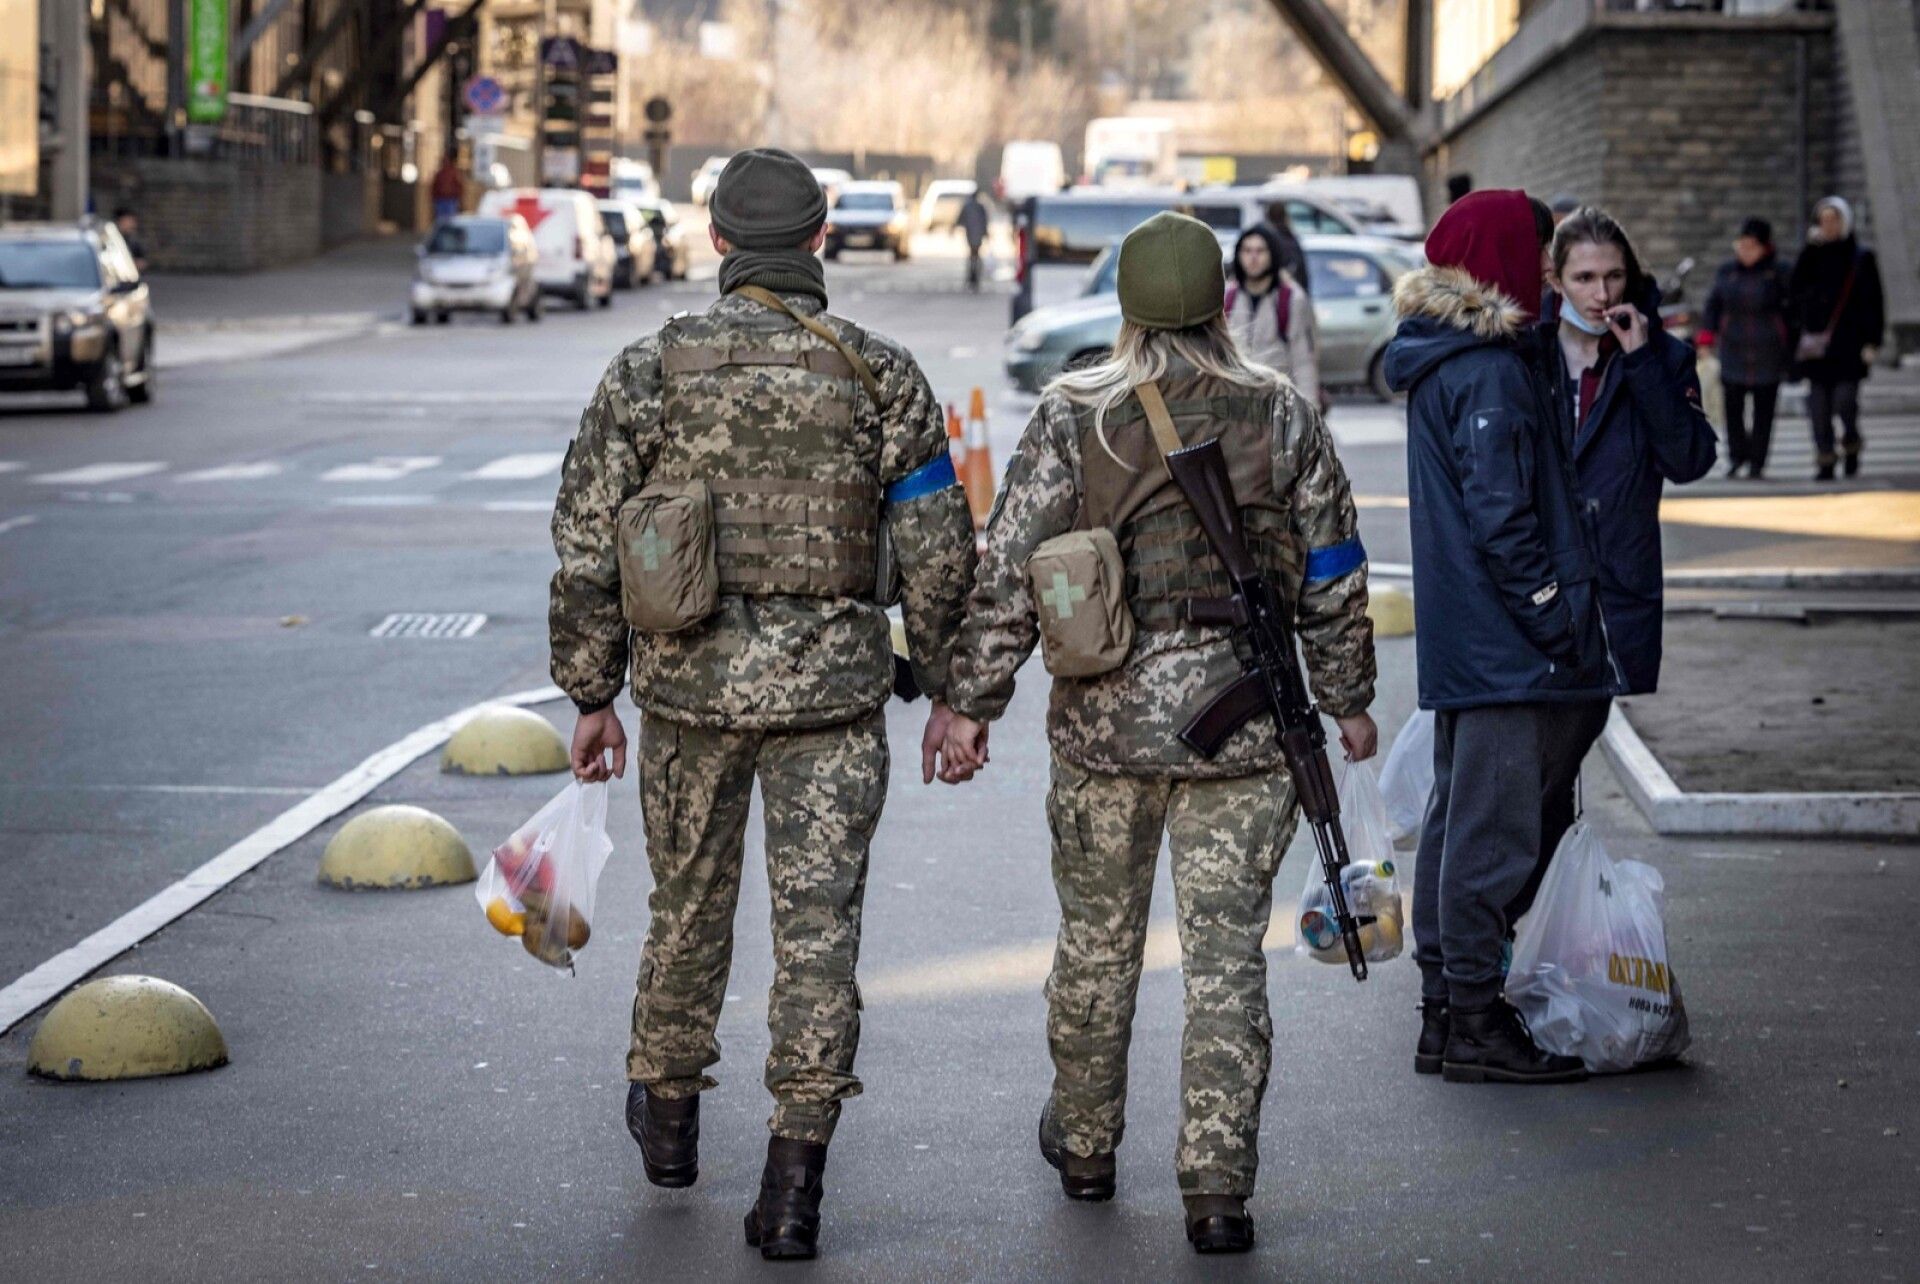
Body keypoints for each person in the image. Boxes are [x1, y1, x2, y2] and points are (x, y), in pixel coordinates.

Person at [549, 147, 977, 1262]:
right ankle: (794, 1184)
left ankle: (673, 1115)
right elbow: (937, 554)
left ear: (717, 238)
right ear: (823, 236)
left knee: (685, 911)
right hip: (833, 700)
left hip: (688, 695)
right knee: (818, 935)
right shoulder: (879, 373)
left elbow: (588, 543)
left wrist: (592, 695)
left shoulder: (651, 370)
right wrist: (946, 689)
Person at [940, 211, 1378, 1255]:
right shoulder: (1283, 415)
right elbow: (1331, 573)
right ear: (1225, 301)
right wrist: (1349, 696)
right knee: (1227, 959)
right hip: (1246, 732)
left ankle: (1087, 1144)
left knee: (1096, 944)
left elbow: (1008, 568)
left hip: (1104, 728)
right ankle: (1217, 1185)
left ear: (1127, 308)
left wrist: (969, 703)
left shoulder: (1074, 417)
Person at [1381, 189, 1615, 1086]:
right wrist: (1557, 613)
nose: (1550, 272)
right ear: (1506, 263)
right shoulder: (1486, 370)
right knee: (1493, 834)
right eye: (1541, 254)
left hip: (1473, 638)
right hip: (1505, 645)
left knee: (1459, 819)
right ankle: (1473, 1021)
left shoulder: (1456, 358)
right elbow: (1504, 518)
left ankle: (1449, 1012)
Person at [1509, 207, 1715, 920]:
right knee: (1533, 781)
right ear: (1554, 279)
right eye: (1584, 277)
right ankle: (1531, 934)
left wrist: (1644, 361)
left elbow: (1688, 459)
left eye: (1613, 275)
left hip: (1606, 601)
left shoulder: (1659, 358)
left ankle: (1538, 934)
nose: (1600, 293)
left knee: (1553, 769)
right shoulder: (1524, 355)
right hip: (1529, 597)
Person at [1789, 195, 1885, 479]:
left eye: (1834, 220)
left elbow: (1874, 302)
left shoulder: (1860, 257)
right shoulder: (1811, 255)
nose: (1828, 226)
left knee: (1845, 402)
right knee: (1818, 407)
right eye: (1824, 220)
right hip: (1817, 347)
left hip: (1850, 346)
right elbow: (1795, 293)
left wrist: (1873, 341)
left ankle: (1852, 443)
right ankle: (1826, 458)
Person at [1700, 217, 1795, 478]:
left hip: (1768, 350)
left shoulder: (1779, 272)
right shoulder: (1727, 272)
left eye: (1751, 245)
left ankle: (1757, 460)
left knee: (1764, 411)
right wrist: (1707, 339)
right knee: (1733, 409)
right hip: (1734, 348)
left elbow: (1793, 311)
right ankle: (1736, 456)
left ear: (1765, 247)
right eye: (1741, 244)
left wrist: (1790, 345)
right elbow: (1713, 306)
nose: (1745, 250)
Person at [1226, 224, 1320, 405]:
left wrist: (1311, 409)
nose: (1253, 257)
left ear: (1272, 255)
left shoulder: (1291, 298)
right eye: (1247, 250)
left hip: (1278, 403)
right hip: (1238, 404)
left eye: (1260, 251)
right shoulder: (1228, 297)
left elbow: (1303, 360)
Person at [1258, 201, 1311, 296]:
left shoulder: (1263, 239)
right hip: (1289, 295)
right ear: (1285, 217)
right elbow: (1301, 274)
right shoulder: (1289, 239)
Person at [958, 189, 990, 292]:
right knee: (974, 254)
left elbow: (960, 219)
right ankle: (973, 275)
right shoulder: (979, 207)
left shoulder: (969, 207)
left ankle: (973, 275)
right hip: (976, 234)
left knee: (973, 255)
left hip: (972, 233)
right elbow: (984, 221)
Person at [112, 208, 148, 274]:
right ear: (120, 222)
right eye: (129, 221)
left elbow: (142, 263)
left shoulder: (133, 242)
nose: (133, 225)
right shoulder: (111, 241)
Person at [430, 156, 464, 223]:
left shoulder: (454, 173)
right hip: (440, 200)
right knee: (440, 219)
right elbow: (434, 187)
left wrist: (458, 197)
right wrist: (434, 199)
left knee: (451, 219)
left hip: (451, 200)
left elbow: (459, 186)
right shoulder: (439, 174)